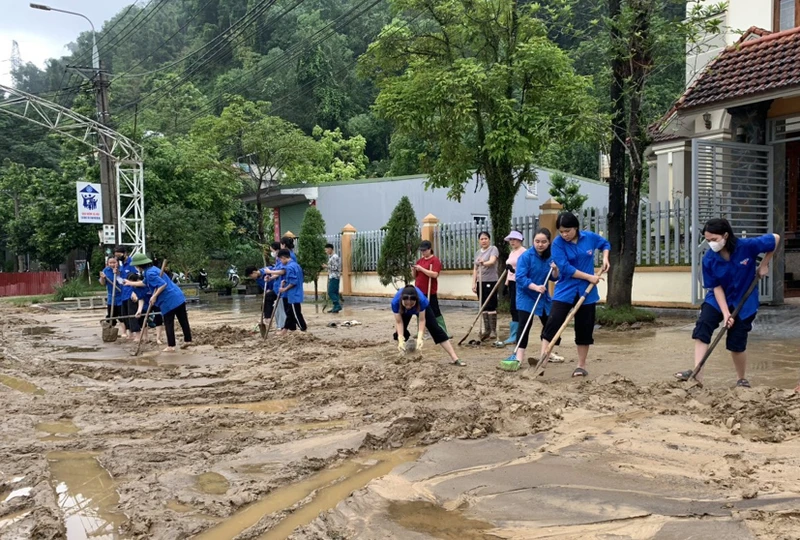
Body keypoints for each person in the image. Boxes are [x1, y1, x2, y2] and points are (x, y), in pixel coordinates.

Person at [674, 218, 779, 387]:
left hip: (744, 301)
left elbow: (775, 238)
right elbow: (716, 288)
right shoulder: (709, 259)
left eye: (714, 240)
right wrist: (725, 313)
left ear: (725, 235)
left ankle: (741, 379)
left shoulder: (747, 246)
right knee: (703, 326)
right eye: (708, 241)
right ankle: (697, 374)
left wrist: (764, 265)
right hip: (717, 299)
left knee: (736, 342)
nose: (711, 244)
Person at [540, 212, 610, 378]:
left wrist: (606, 259)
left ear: (576, 227)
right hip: (565, 290)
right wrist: (589, 277)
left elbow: (605, 244)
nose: (564, 234)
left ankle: (581, 365)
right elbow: (565, 268)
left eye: (568, 231)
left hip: (587, 293)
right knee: (553, 322)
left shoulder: (589, 237)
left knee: (584, 328)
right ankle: (542, 361)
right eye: (561, 231)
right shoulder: (557, 244)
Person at [506, 228, 560, 368]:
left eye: (543, 242)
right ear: (533, 241)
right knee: (524, 325)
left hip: (543, 297)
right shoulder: (526, 256)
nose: (540, 244)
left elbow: (555, 278)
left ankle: (547, 352)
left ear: (549, 242)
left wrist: (555, 269)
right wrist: (535, 287)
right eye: (537, 241)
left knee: (550, 324)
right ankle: (518, 357)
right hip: (526, 295)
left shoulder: (552, 256)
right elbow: (520, 277)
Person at [126, 253, 192, 352]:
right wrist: (130, 283)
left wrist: (154, 296)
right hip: (178, 296)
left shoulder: (149, 273)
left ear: (139, 266)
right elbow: (145, 283)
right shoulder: (152, 269)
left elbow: (162, 284)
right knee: (183, 320)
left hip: (168, 299)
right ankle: (188, 340)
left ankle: (171, 346)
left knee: (168, 322)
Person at [392, 285, 465, 366]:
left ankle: (455, 358)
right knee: (398, 334)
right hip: (403, 311)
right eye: (406, 304)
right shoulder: (395, 302)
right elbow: (399, 322)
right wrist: (400, 339)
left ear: (416, 301)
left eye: (411, 304)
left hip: (420, 308)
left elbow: (422, 320)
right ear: (401, 300)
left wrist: (420, 337)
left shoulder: (422, 301)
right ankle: (402, 355)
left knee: (436, 329)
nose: (409, 307)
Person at [412, 240, 448, 335]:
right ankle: (422, 330)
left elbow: (435, 274)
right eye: (421, 251)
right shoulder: (420, 261)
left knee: (434, 310)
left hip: (429, 290)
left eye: (424, 250)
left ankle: (442, 331)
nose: (423, 252)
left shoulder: (435, 260)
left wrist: (422, 269)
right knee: (420, 310)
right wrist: (414, 269)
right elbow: (414, 276)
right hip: (419, 290)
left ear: (429, 249)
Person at [472, 231, 500, 341]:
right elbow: (475, 269)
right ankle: (487, 330)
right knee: (483, 305)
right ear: (479, 241)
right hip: (480, 281)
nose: (483, 241)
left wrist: (483, 262)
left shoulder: (493, 249)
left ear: (489, 239)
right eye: (481, 239)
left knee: (491, 305)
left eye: (485, 238)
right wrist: (474, 282)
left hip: (491, 280)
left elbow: (492, 261)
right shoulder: (477, 252)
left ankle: (493, 330)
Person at [502, 230, 526, 346]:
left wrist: (515, 271)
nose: (512, 241)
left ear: (520, 240)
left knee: (517, 308)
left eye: (514, 239)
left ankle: (518, 335)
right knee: (512, 308)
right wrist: (506, 284)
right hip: (511, 282)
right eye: (510, 239)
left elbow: (525, 269)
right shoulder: (512, 252)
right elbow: (508, 270)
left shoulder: (524, 252)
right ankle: (513, 335)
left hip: (520, 283)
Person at [128, 273, 165, 345]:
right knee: (142, 318)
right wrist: (139, 310)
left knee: (158, 318)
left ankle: (158, 338)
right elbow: (141, 299)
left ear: (138, 280)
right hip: (146, 303)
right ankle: (146, 337)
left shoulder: (147, 284)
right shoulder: (135, 288)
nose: (132, 284)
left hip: (156, 301)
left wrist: (154, 297)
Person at [277, 248, 307, 333]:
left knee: (296, 313)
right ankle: (285, 330)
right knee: (290, 313)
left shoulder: (289, 267)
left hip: (293, 294)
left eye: (280, 260)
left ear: (283, 257)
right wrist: (285, 281)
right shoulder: (296, 265)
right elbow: (296, 278)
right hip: (297, 293)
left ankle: (303, 329)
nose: (281, 262)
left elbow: (294, 281)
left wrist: (284, 289)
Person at [114, 246, 141, 340]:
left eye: (119, 255)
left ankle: (137, 335)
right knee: (125, 316)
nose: (118, 258)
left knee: (133, 315)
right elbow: (122, 281)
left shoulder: (132, 263)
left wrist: (135, 292)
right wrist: (117, 275)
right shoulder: (121, 266)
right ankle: (130, 334)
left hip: (131, 293)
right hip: (124, 294)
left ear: (125, 253)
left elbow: (136, 278)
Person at [99, 256, 123, 326]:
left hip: (120, 295)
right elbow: (102, 283)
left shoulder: (121, 269)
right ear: (107, 263)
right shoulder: (106, 270)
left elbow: (123, 281)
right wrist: (102, 278)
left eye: (114, 262)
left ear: (117, 263)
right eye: (110, 263)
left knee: (121, 315)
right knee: (111, 315)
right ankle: (110, 329)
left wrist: (117, 273)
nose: (112, 264)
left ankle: (125, 332)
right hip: (111, 296)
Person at [324, 244, 342, 314]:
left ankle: (337, 305)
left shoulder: (334, 257)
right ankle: (335, 307)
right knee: (335, 292)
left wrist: (327, 266)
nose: (326, 251)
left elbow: (335, 267)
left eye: (326, 250)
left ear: (330, 249)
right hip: (334, 276)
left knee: (331, 292)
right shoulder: (332, 257)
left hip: (334, 276)